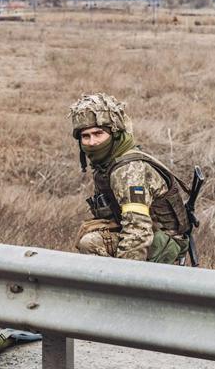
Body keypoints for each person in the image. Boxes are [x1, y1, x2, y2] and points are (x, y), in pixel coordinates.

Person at [69, 93, 190, 264]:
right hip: (152, 234)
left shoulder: (128, 171)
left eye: (98, 133)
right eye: (85, 136)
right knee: (89, 231)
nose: (92, 142)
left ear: (114, 133)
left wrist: (126, 280)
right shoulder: (107, 163)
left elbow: (139, 231)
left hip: (164, 243)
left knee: (91, 243)